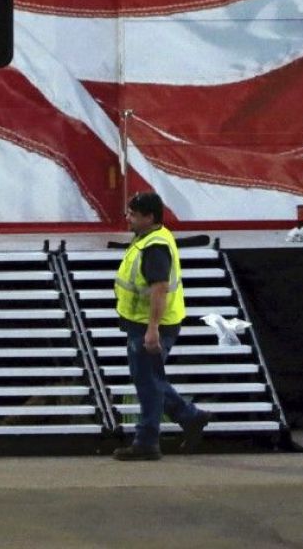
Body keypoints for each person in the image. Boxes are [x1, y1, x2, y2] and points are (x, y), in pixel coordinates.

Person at [112, 192, 210, 460]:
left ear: (149, 217)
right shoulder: (150, 238)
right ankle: (190, 417)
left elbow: (159, 289)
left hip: (152, 324)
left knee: (148, 383)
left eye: (133, 214)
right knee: (149, 379)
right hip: (143, 322)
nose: (128, 218)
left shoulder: (154, 247)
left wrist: (152, 329)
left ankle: (147, 441)